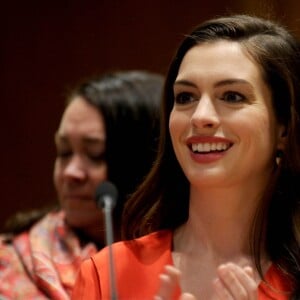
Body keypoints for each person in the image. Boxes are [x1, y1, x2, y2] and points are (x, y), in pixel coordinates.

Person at [72, 14, 300, 300]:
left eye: (231, 96)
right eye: (185, 97)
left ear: (285, 129)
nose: (200, 116)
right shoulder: (107, 274)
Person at [0, 70, 163, 299]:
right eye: (64, 152)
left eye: (95, 154)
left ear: (147, 161)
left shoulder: (188, 257)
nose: (70, 173)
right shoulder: (9, 262)